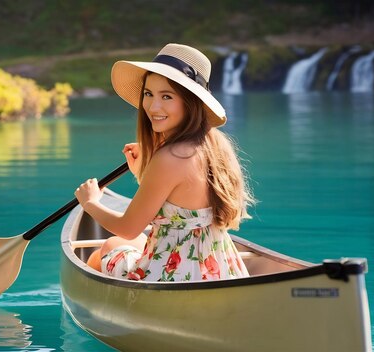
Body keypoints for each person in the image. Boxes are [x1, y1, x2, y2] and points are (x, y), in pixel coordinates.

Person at [74, 43, 253, 282]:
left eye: (167, 96)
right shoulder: (217, 144)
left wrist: (91, 202)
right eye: (148, 94)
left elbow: (128, 228)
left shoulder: (170, 158)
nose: (153, 107)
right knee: (133, 243)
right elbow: (178, 204)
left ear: (190, 102)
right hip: (221, 272)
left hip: (173, 276)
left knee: (109, 246)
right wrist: (143, 174)